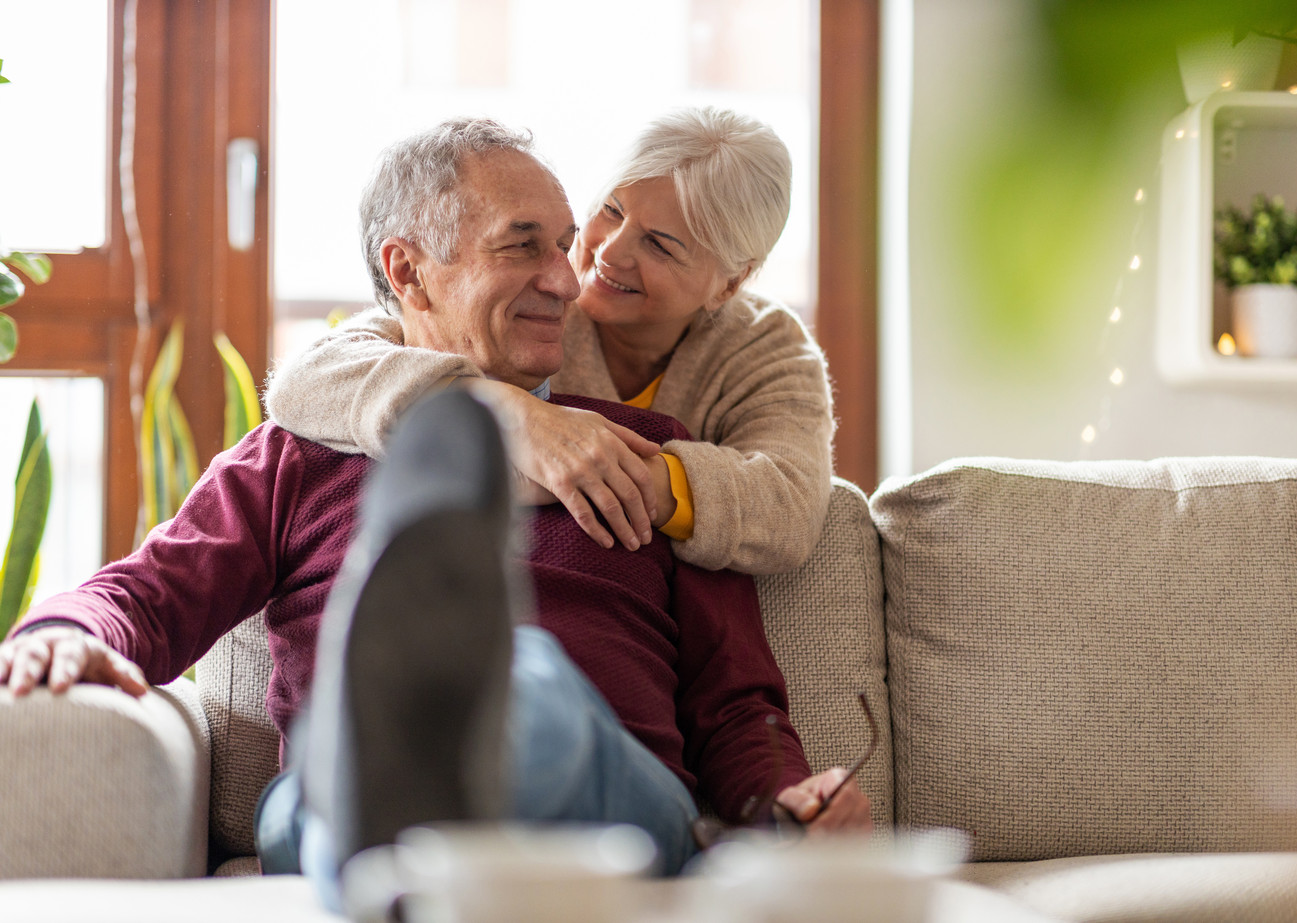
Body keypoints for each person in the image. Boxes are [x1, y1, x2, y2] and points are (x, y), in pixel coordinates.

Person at [0, 118, 869, 912]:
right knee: (330, 789)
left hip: (604, 807)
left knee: (519, 680)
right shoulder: (300, 452)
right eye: (524, 246)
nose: (571, 280)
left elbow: (734, 704)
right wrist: (64, 632)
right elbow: (146, 595)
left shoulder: (644, 456)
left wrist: (784, 805)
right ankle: (405, 750)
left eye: (564, 247)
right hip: (332, 801)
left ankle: (445, 712)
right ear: (406, 270)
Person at [264, 107, 833, 576]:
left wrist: (602, 471)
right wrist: (507, 412)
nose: (607, 253)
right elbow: (313, 378)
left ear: (729, 283)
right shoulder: (536, 295)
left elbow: (789, 506)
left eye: (660, 244)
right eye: (611, 210)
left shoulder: (765, 349)